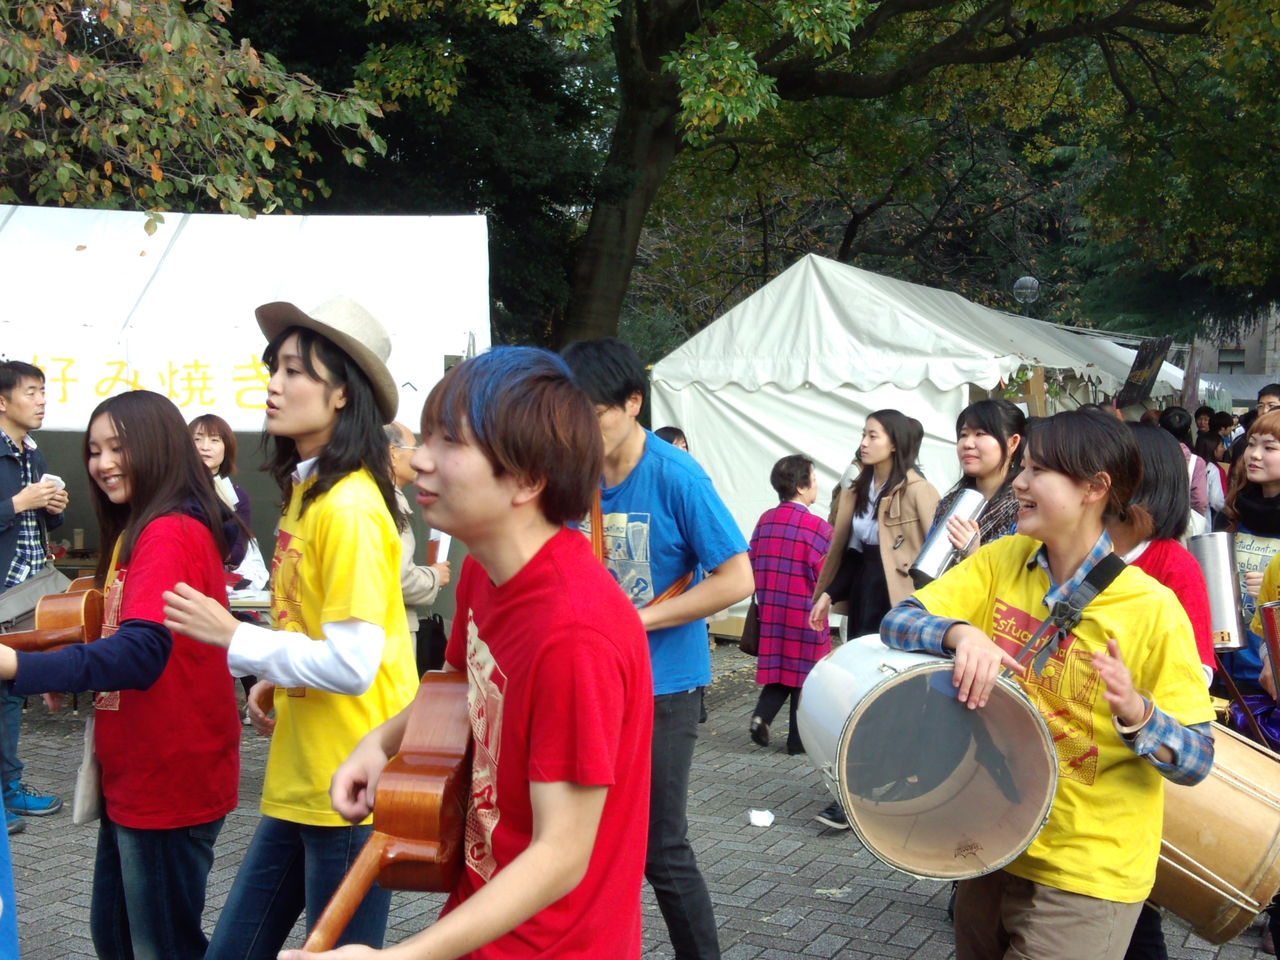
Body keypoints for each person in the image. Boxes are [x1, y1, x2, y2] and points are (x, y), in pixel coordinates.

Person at [276, 346, 653, 960]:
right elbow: (459, 684)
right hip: (481, 911)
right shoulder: (484, 569)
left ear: (528, 479)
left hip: (554, 946)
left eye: (449, 441)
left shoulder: (576, 634)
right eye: (425, 437)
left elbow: (561, 854)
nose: (419, 460)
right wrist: (380, 745)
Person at [881, 410, 1215, 960]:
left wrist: (1137, 713)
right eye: (1023, 467)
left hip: (1088, 869)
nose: (1019, 482)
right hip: (992, 842)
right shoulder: (1002, 559)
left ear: (1094, 487)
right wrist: (961, 633)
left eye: (1038, 470)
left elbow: (1197, 758)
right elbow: (899, 620)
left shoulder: (1153, 609)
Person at [162, 297, 419, 958]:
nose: (274, 384)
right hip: (302, 782)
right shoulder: (311, 490)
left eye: (296, 371)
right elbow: (313, 626)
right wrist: (273, 678)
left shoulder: (354, 506)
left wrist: (235, 638)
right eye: (273, 368)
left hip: (349, 791)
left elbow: (356, 664)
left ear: (340, 394)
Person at [0, 390, 241, 958]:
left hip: (169, 774)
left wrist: (19, 664)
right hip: (138, 772)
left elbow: (139, 653)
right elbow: (116, 637)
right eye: (94, 449)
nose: (103, 462)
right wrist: (61, 669)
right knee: (118, 937)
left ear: (157, 447)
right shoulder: (142, 529)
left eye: (118, 447)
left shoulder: (168, 532)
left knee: (159, 945)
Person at [561, 337, 752, 960]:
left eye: (595, 417)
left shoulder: (676, 474)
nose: (582, 433)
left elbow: (736, 578)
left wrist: (638, 622)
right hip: (587, 682)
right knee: (578, 840)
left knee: (659, 847)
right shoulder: (567, 474)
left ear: (633, 404)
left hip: (663, 685)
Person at [807, 409, 938, 830]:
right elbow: (851, 551)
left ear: (895, 443)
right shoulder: (858, 487)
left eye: (873, 435)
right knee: (866, 688)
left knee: (895, 693)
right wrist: (828, 593)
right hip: (865, 593)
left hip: (903, 602)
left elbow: (939, 556)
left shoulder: (919, 490)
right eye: (863, 434)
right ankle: (874, 780)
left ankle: (864, 789)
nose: (863, 442)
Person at [0, 360, 68, 834]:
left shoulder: (33, 453)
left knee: (9, 693)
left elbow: (34, 525)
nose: (41, 399)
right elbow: (14, 511)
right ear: (3, 401)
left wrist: (54, 510)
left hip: (26, 589)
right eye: (31, 391)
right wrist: (15, 504)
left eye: (43, 390)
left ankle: (9, 790)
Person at [747, 455, 833, 755]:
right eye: (813, 478)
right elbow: (827, 577)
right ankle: (797, 742)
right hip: (806, 612)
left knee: (781, 670)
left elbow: (752, 560)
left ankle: (762, 717)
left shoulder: (765, 520)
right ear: (800, 486)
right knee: (805, 678)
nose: (816, 485)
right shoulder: (818, 528)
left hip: (771, 610)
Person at [1215, 410, 1280, 694]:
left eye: (1269, 447)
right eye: (1251, 443)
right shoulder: (1232, 512)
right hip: (1226, 666)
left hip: (1270, 674)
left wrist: (1272, 591)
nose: (1254, 454)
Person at [932, 399, 1025, 558]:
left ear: (1012, 443)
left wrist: (974, 554)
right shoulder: (948, 505)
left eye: (980, 434)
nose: (967, 443)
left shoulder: (1024, 508)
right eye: (963, 435)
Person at [385, 421, 451, 634]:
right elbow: (399, 580)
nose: (421, 459)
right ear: (393, 453)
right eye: (415, 449)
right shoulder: (386, 502)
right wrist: (434, 576)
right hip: (389, 631)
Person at [189, 413, 251, 567]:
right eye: (197, 439)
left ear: (226, 448)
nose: (205, 447)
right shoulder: (171, 487)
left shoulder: (236, 496)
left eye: (214, 440)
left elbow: (237, 553)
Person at [1157, 407, 1208, 521]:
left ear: (1159, 426)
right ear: (1189, 430)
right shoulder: (1196, 462)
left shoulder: (1149, 455)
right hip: (1180, 524)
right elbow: (1200, 501)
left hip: (1150, 524)